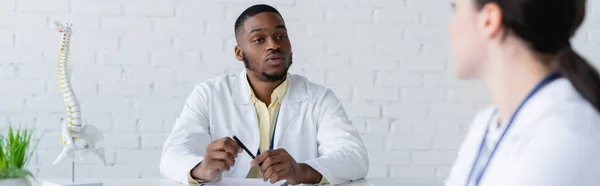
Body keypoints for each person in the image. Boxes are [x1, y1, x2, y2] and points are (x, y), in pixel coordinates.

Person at [159, 4, 368, 185]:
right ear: (239, 53)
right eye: (259, 39)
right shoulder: (210, 94)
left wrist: (301, 170)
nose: (274, 45)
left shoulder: (318, 98)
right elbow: (171, 155)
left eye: (280, 36)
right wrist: (201, 169)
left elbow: (354, 156)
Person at [444, 0, 600, 185]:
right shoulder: (486, 124)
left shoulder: (560, 139)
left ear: (489, 20)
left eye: (456, 8)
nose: (450, 28)